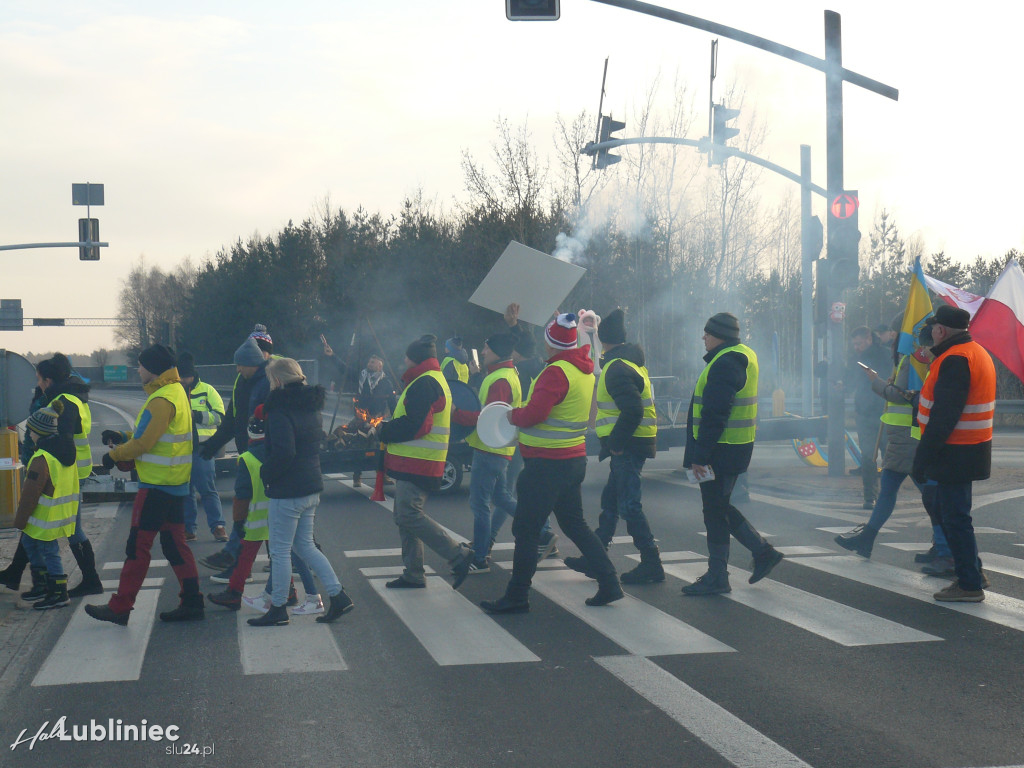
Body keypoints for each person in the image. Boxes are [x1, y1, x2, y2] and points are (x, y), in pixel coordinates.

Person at [481, 313, 623, 614]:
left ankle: (517, 595)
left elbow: (535, 415)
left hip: (546, 464)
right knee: (575, 524)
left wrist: (513, 416)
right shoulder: (583, 370)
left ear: (550, 344)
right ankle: (610, 581)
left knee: (526, 530)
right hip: (571, 459)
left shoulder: (556, 372)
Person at [86, 344, 204, 625]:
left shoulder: (161, 399)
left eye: (140, 365)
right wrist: (122, 434)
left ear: (152, 368)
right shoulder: (176, 393)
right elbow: (150, 433)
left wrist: (113, 455)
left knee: (137, 547)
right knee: (175, 545)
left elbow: (144, 442)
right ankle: (192, 602)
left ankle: (121, 606)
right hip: (175, 485)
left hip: (155, 487)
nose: (137, 370)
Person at [681, 312, 782, 596]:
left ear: (720, 335)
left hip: (720, 450)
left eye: (708, 333)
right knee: (719, 507)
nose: (704, 337)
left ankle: (719, 575)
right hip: (732, 447)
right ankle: (762, 553)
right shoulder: (741, 354)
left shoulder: (726, 362)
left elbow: (715, 414)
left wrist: (700, 455)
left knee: (714, 511)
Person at [248, 358, 354, 626]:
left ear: (279, 381)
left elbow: (284, 452)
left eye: (272, 379)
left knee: (280, 552)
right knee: (305, 546)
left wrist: (266, 473)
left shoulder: (280, 410)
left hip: (288, 490)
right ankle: (338, 595)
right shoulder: (311, 407)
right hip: (309, 485)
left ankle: (278, 608)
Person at [834, 323, 951, 564]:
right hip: (902, 440)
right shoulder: (906, 362)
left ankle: (943, 546)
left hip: (909, 440)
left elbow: (903, 394)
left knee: (929, 495)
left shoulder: (910, 362)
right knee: (891, 491)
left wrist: (877, 382)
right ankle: (867, 539)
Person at [564, 308, 663, 584]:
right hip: (631, 444)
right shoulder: (629, 363)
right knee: (611, 502)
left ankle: (651, 563)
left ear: (604, 339)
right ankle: (596, 558)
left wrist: (616, 444)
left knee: (629, 506)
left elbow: (632, 411)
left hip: (628, 446)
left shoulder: (616, 368)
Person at [912, 305, 995, 602]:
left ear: (940, 330)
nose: (931, 333)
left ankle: (969, 584)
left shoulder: (955, 359)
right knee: (953, 514)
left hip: (955, 451)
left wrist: (922, 458)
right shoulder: (975, 352)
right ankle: (973, 571)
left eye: (933, 328)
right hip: (970, 448)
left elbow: (944, 416)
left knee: (954, 518)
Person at [379, 334, 475, 590]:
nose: (403, 360)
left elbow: (416, 425)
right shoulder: (432, 379)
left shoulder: (424, 383)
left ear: (415, 358)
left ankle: (459, 555)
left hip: (418, 462)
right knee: (403, 516)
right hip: (417, 461)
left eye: (406, 356)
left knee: (409, 515)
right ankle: (413, 573)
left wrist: (384, 430)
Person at [197, 336, 271, 575]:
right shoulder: (244, 381)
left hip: (261, 456)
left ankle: (234, 558)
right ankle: (239, 563)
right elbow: (233, 420)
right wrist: (213, 445)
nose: (237, 369)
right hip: (248, 455)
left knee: (253, 510)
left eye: (241, 364)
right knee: (258, 512)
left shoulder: (268, 382)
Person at [451, 332, 522, 573]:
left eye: (486, 348)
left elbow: (486, 418)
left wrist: (455, 412)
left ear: (497, 352)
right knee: (501, 498)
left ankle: (480, 558)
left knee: (479, 504)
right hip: (497, 448)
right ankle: (542, 531)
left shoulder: (500, 380)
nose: (482, 352)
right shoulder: (504, 374)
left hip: (489, 449)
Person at [14, 404, 77, 610]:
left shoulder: (42, 458)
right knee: (32, 545)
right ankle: (43, 585)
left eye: (30, 430)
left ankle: (59, 592)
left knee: (49, 551)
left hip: (44, 516)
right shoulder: (63, 452)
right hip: (59, 513)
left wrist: (20, 519)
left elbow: (30, 494)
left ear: (38, 432)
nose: (28, 433)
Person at [177, 352, 227, 543]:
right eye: (180, 376)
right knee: (186, 491)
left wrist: (197, 416)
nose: (183, 380)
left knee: (207, 489)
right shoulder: (175, 392)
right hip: (181, 449)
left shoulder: (208, 391)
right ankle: (189, 529)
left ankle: (218, 526)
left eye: (186, 376)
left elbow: (220, 416)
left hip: (203, 449)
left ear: (193, 374)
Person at [846, 326, 894, 509]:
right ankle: (869, 497)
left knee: (888, 458)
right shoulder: (855, 359)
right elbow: (851, 380)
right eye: (854, 344)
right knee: (867, 457)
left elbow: (892, 380)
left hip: (885, 412)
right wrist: (842, 384)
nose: (856, 347)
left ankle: (888, 496)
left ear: (869, 339)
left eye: (859, 343)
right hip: (865, 414)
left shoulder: (885, 355)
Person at [351, 354, 397, 487]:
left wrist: (395, 418)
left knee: (381, 448)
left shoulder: (386, 382)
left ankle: (383, 475)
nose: (369, 364)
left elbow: (392, 402)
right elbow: (345, 369)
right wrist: (332, 356)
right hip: (361, 418)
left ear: (379, 366)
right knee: (359, 445)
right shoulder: (361, 376)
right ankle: (357, 476)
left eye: (373, 362)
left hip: (378, 419)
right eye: (369, 362)